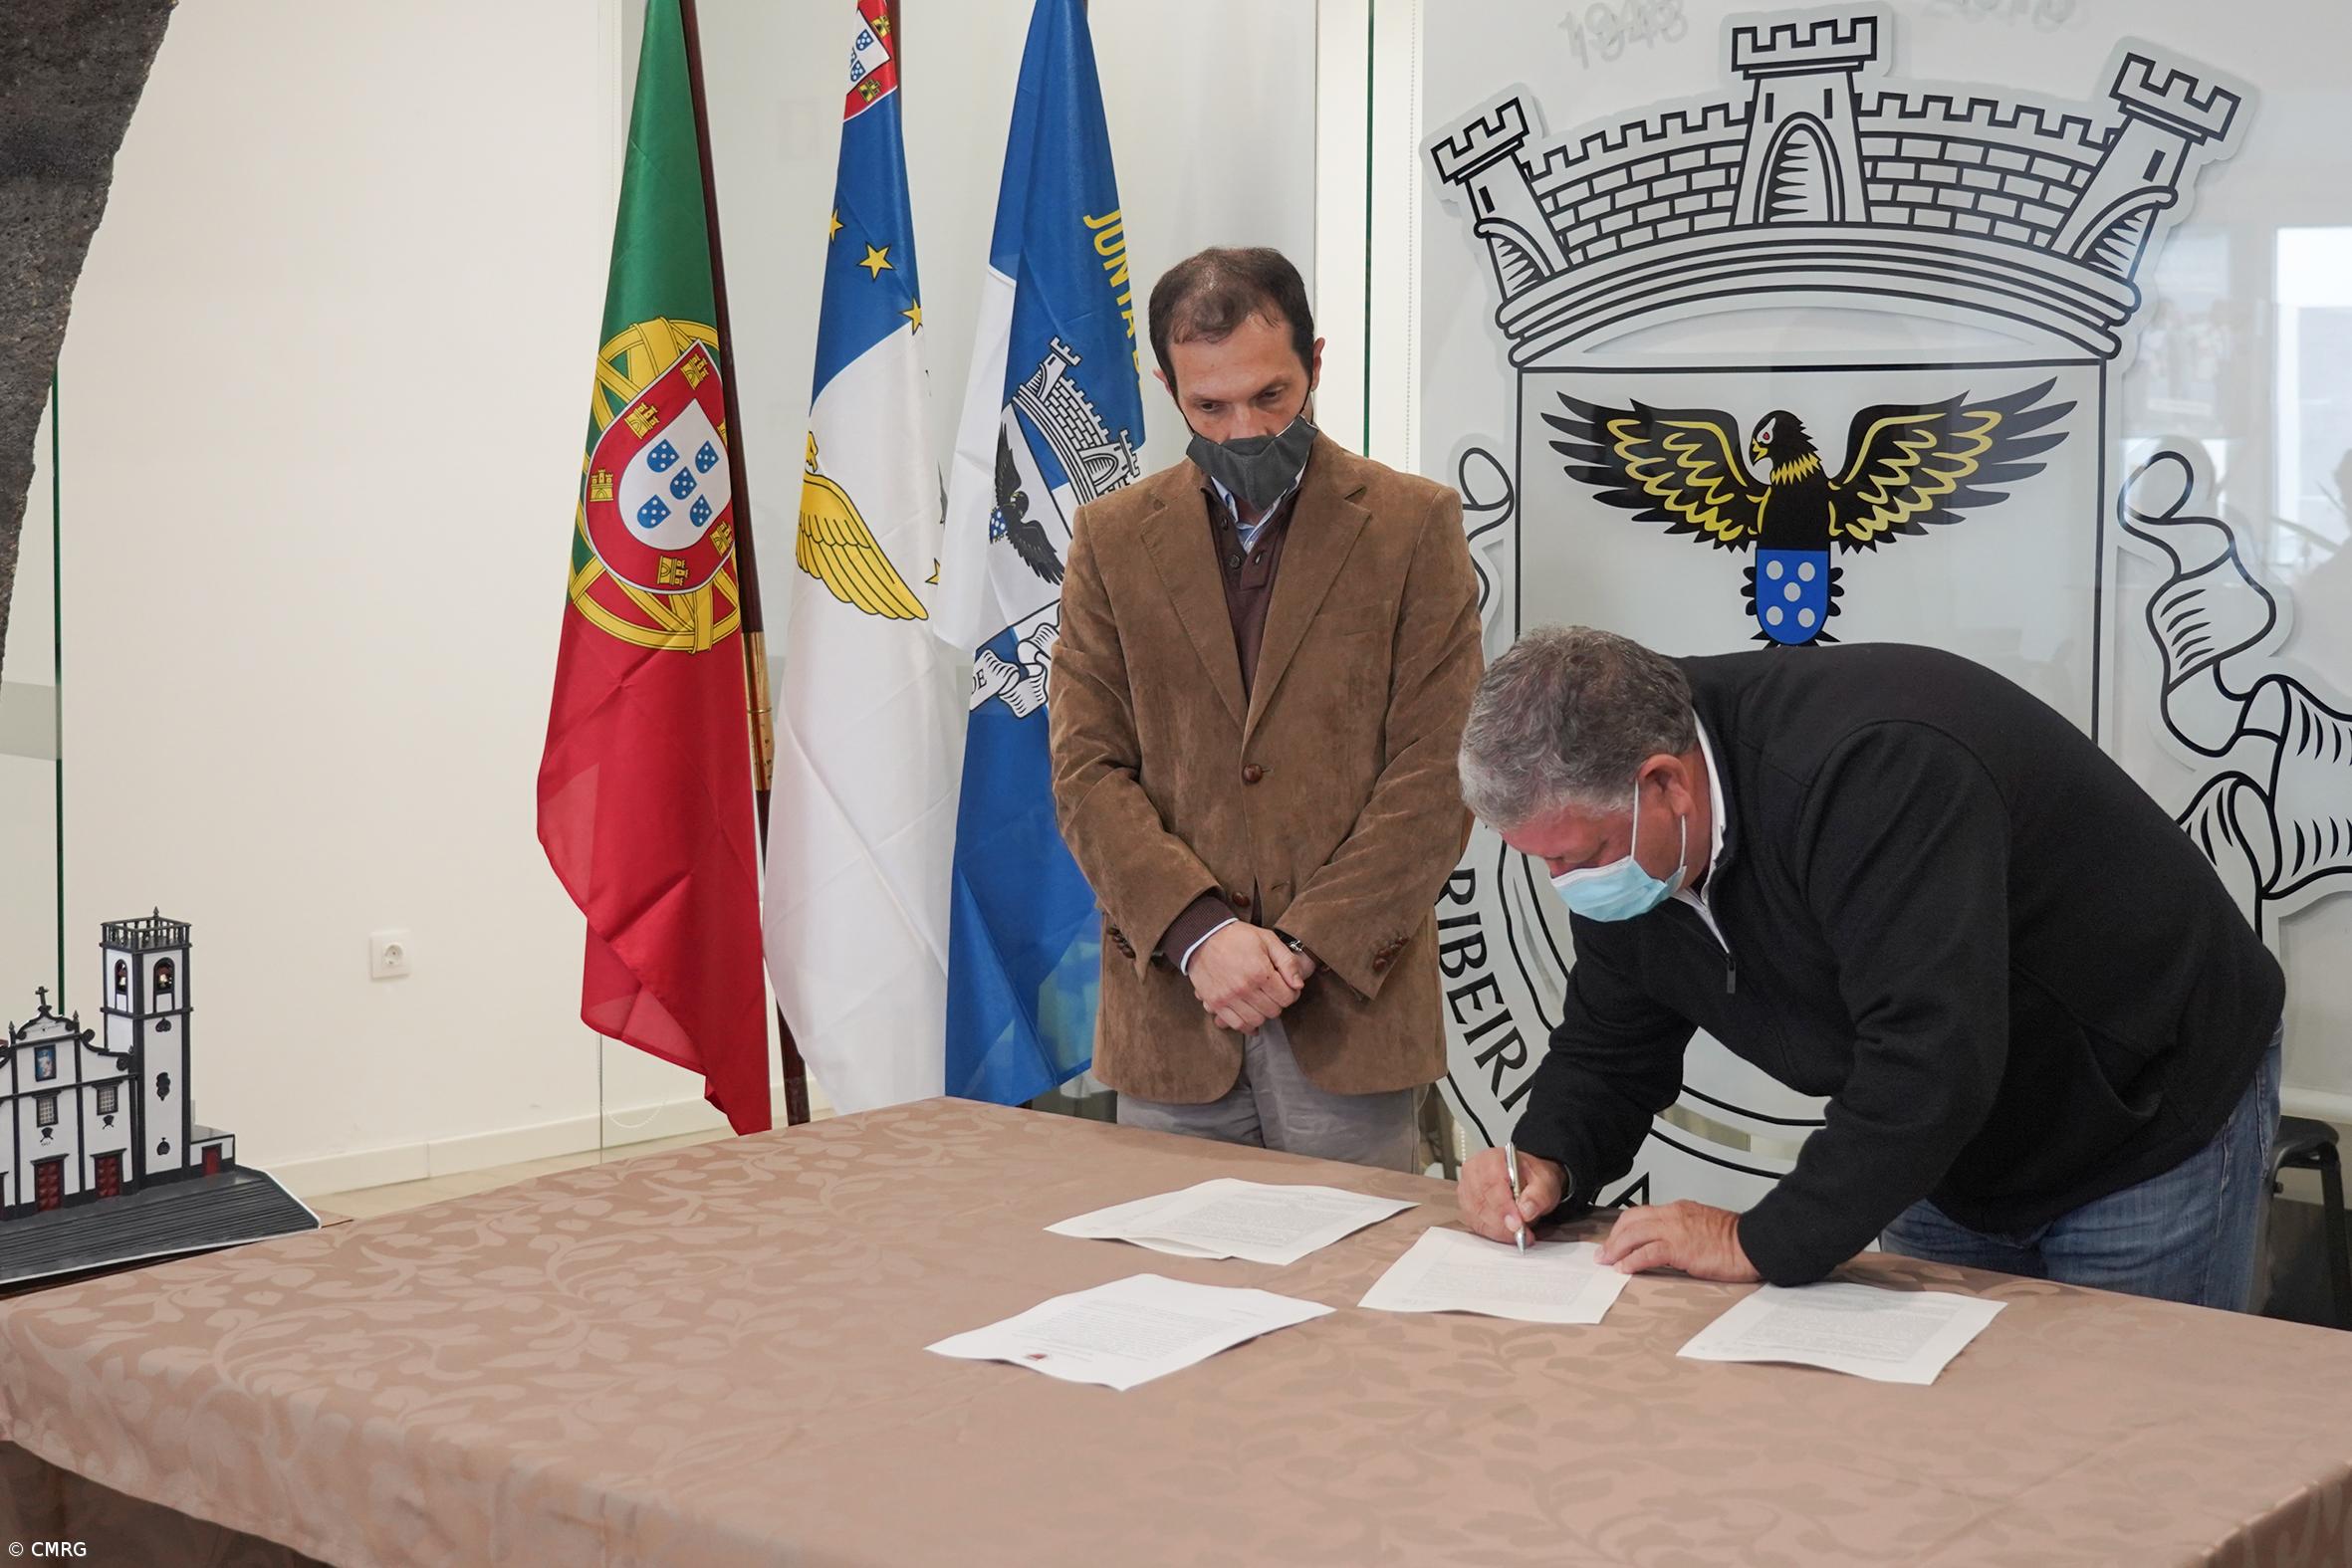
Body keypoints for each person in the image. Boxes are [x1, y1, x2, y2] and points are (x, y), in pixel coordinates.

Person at [1453, 627, 2285, 1307]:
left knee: (2130, 1445)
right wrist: (1547, 1163)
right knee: (1947, 1443)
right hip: (1946, 1142)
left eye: (1579, 854)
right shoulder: (1633, 843)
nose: (1568, 885)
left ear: (1665, 783)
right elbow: (1609, 1046)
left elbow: (1931, 1055)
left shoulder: (1874, 768)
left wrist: (1757, 1239)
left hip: (2137, 1100)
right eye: (1543, 864)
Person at [1048, 247, 1483, 1169]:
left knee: (1352, 1294)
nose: (1245, 429)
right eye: (1210, 406)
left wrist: (1291, 952)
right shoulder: (1111, 538)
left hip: (1347, 1014)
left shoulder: (1414, 526)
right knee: (1178, 1296)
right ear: (1166, 386)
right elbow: (1087, 770)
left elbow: (1438, 772)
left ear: (1316, 363)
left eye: (1272, 396)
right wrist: (1204, 937)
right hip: (1172, 1011)